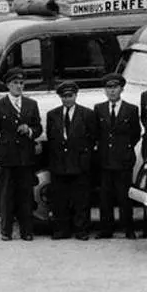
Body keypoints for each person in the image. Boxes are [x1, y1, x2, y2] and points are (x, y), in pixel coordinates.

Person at [0, 67, 43, 241]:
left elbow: (38, 128)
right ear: (8, 85)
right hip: (7, 158)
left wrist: (30, 130)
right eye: (15, 83)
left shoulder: (31, 104)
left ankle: (27, 231)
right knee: (7, 196)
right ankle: (6, 231)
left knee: (25, 195)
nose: (19, 86)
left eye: (21, 83)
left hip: (26, 158)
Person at [46, 81, 96, 240]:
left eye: (70, 96)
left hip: (79, 163)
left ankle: (81, 230)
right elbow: (51, 138)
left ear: (76, 95)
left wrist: (85, 158)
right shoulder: (52, 115)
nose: (67, 99)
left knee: (81, 199)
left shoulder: (87, 114)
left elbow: (92, 138)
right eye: (64, 96)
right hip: (59, 163)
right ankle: (61, 230)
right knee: (60, 199)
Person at [94, 72, 141, 239]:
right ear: (105, 90)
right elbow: (96, 133)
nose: (112, 91)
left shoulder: (131, 109)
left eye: (115, 87)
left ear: (121, 89)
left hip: (123, 159)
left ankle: (128, 228)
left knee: (124, 196)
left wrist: (124, 148)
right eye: (108, 88)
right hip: (105, 159)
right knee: (105, 196)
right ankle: (106, 229)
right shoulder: (99, 109)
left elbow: (135, 133)